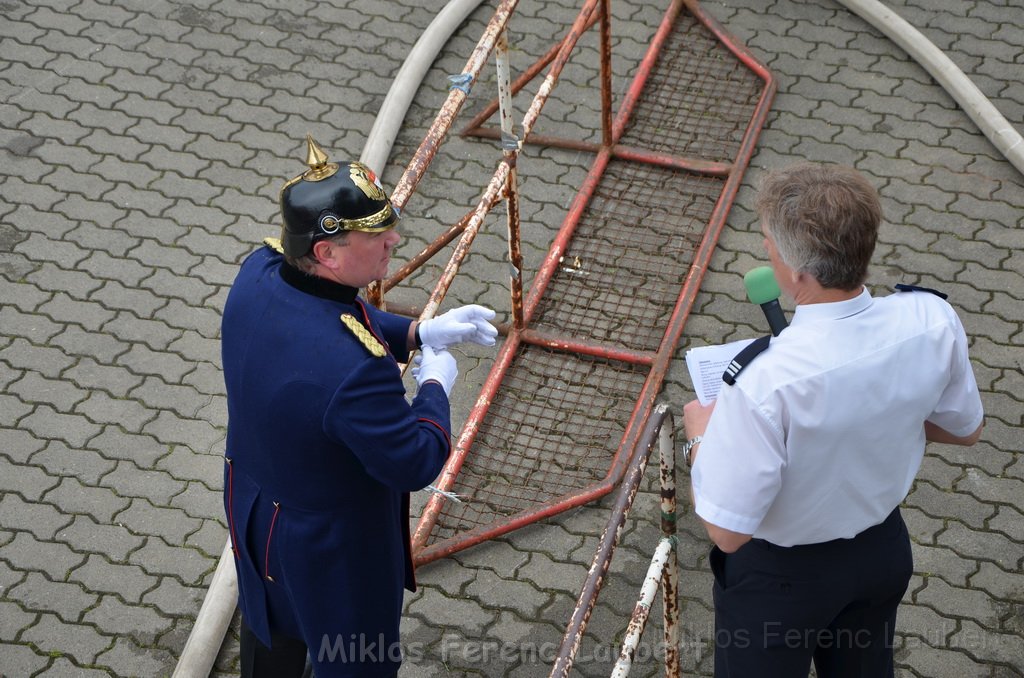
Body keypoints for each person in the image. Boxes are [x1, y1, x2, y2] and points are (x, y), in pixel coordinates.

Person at [680, 162, 984, 678]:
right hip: (881, 553)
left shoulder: (762, 384)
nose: (767, 255)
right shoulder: (931, 319)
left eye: (769, 246)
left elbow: (727, 532)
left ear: (797, 274)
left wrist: (701, 437)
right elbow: (964, 429)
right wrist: (876, 417)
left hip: (781, 581)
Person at [220, 135, 498, 678]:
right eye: (374, 234)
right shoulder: (355, 372)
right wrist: (436, 386)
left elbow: (332, 317)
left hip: (255, 508)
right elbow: (414, 460)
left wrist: (417, 332)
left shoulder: (260, 272)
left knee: (269, 637)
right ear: (326, 252)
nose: (394, 238)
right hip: (332, 549)